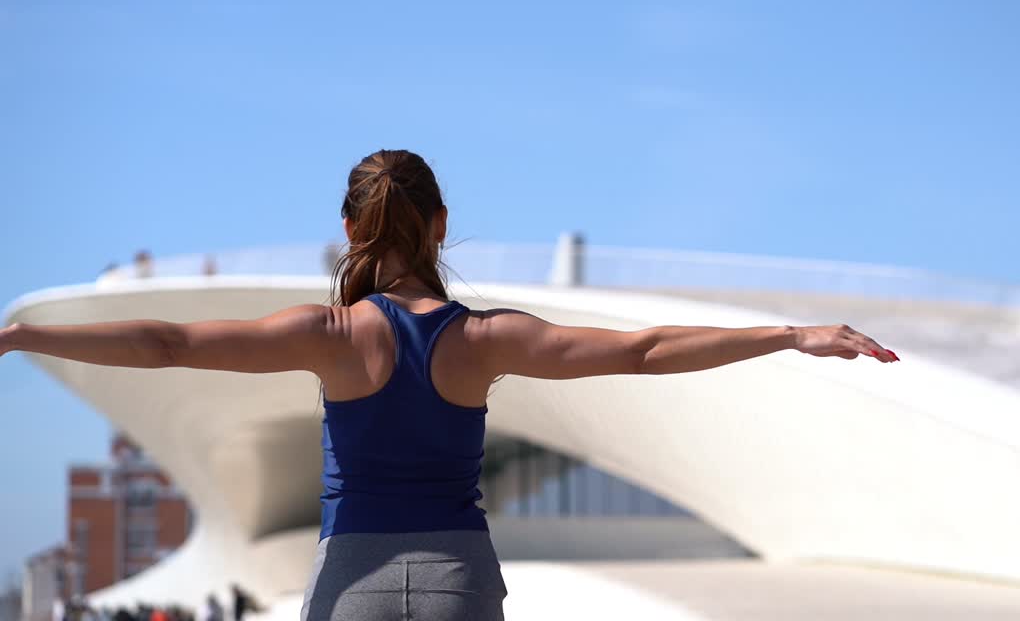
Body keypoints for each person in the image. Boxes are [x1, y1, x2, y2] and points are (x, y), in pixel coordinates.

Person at [0, 149, 899, 620]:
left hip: (348, 579)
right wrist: (789, 333)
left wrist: (17, 334)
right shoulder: (484, 339)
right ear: (440, 224)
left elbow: (165, 342)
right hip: (458, 582)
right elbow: (644, 349)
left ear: (349, 226)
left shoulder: (330, 335)